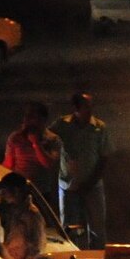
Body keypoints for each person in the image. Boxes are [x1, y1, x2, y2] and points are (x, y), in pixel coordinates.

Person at [49, 93, 112, 246]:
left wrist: (91, 182)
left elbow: (105, 157)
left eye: (91, 106)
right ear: (76, 108)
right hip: (68, 185)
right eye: (86, 106)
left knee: (97, 229)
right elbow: (47, 138)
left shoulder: (99, 128)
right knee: (69, 229)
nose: (90, 110)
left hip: (93, 185)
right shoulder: (62, 125)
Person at [3, 101, 61, 210]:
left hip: (41, 192)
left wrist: (36, 144)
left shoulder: (53, 139)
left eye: (32, 116)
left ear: (42, 119)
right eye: (26, 116)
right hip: (18, 191)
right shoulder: (15, 137)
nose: (27, 119)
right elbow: (8, 164)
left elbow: (49, 164)